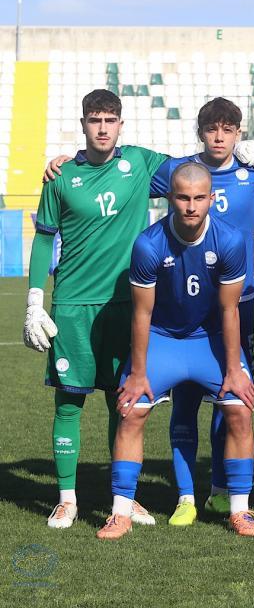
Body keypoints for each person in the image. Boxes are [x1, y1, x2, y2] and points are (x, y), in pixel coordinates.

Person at [24, 89, 167, 528]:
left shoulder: (141, 163)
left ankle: (123, 497)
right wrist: (34, 301)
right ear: (83, 124)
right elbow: (44, 239)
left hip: (128, 305)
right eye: (95, 120)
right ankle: (67, 498)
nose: (102, 128)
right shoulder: (60, 176)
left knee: (121, 403)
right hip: (73, 306)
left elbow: (196, 171)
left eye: (109, 120)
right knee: (69, 403)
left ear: (121, 124)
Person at [95, 162, 254, 539]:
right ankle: (120, 512)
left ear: (212, 199)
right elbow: (142, 313)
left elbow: (230, 310)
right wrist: (138, 374)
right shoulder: (149, 244)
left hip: (209, 339)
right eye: (183, 197)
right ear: (169, 197)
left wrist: (234, 370)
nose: (191, 206)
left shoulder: (230, 241)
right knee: (131, 410)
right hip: (162, 339)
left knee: (239, 409)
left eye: (199, 198)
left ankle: (240, 510)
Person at [149, 98, 254, 525]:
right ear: (200, 132)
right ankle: (185, 497)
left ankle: (221, 491)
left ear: (239, 133)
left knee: (230, 397)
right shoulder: (177, 171)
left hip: (238, 302)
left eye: (228, 129)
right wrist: (69, 158)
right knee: (184, 399)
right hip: (184, 303)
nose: (219, 137)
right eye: (211, 129)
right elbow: (121, 171)